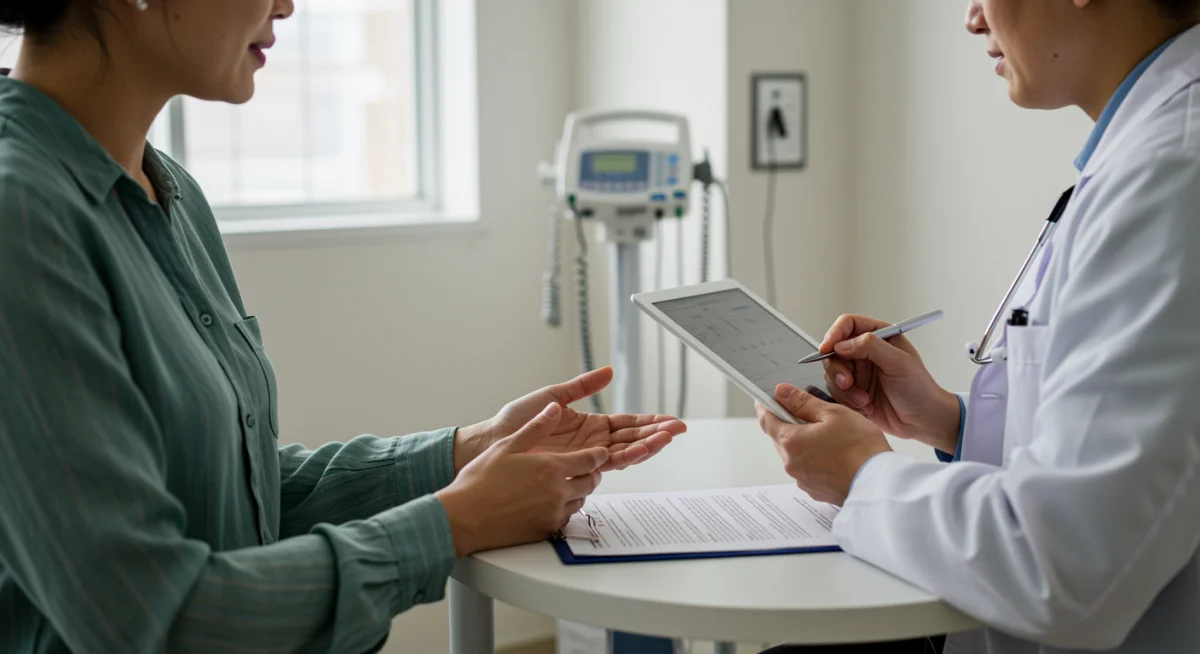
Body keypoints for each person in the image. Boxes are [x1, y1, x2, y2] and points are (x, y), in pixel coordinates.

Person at [0, 1, 687, 652]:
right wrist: (457, 520)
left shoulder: (167, 191)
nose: (287, 6)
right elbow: (151, 618)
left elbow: (236, 498)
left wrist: (467, 452)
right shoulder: (22, 218)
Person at [757, 0, 1200, 653]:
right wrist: (949, 422)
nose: (971, 18)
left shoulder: (1172, 173)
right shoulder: (1145, 149)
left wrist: (864, 477)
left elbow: (1065, 569)